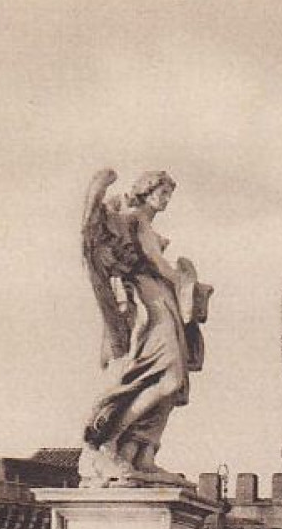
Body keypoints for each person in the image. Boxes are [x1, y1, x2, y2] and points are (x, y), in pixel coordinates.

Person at [79, 169, 210, 487]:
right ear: (146, 191)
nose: (166, 200)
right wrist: (188, 282)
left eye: (168, 194)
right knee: (166, 377)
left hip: (163, 301)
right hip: (148, 304)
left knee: (173, 384)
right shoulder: (133, 219)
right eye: (162, 193)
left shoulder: (146, 225)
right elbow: (156, 263)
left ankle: (141, 455)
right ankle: (106, 443)